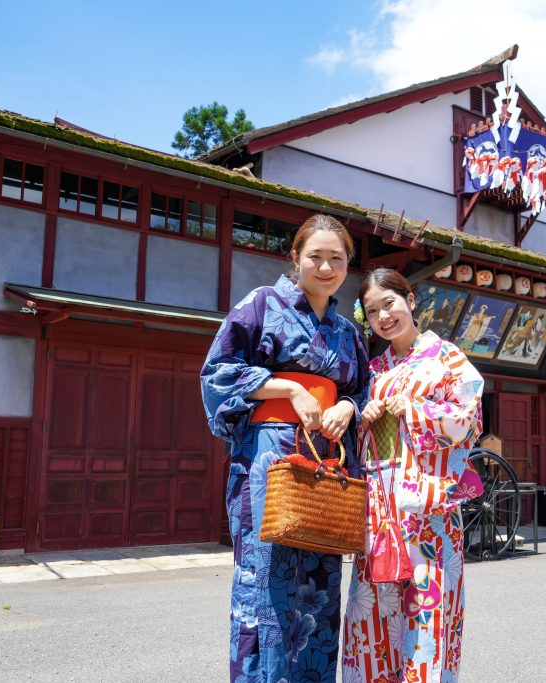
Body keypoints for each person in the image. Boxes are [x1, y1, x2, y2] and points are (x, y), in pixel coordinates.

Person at [201, 214, 369, 682]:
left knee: (321, 578)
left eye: (337, 258)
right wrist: (286, 389)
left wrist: (349, 408)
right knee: (264, 583)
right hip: (268, 460)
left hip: (324, 463)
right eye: (315, 256)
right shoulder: (261, 305)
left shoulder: (348, 331)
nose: (326, 267)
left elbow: (362, 389)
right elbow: (217, 373)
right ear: (295, 258)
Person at [342, 268, 484, 683]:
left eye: (390, 303)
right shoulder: (374, 369)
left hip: (428, 512)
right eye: (372, 311)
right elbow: (365, 441)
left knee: (428, 617)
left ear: (411, 300)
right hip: (380, 511)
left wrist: (417, 410)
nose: (383, 316)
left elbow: (468, 418)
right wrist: (364, 418)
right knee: (372, 613)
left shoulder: (446, 357)